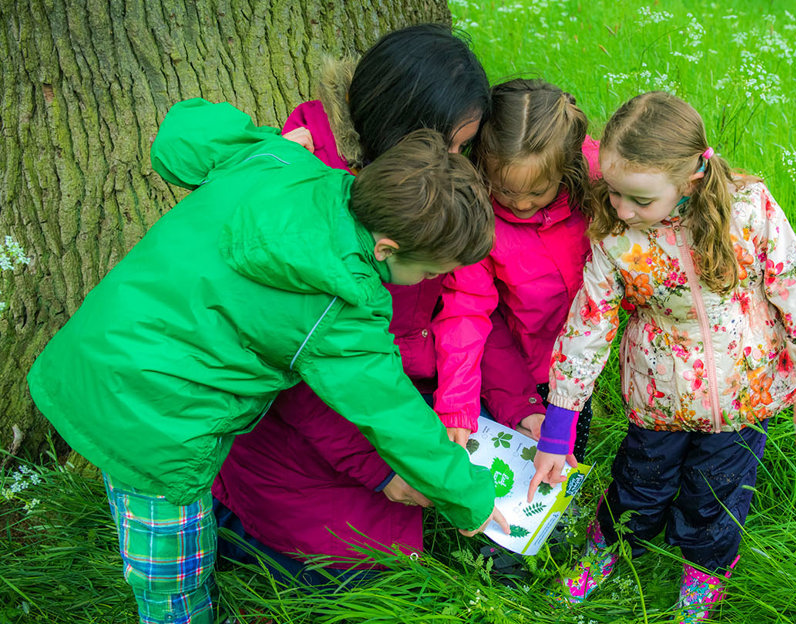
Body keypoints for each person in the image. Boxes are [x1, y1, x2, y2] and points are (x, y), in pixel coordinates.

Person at [26, 99, 507, 624]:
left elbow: (180, 139)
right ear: (387, 249)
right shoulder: (342, 302)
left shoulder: (280, 163)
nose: (430, 282)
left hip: (94, 361)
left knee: (138, 501)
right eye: (431, 271)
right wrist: (470, 500)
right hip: (159, 426)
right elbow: (393, 416)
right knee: (174, 576)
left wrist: (264, 140)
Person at [210, 24, 537, 582]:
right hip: (311, 421)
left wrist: (519, 403)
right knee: (364, 570)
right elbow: (305, 379)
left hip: (400, 391)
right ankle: (235, 539)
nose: (459, 162)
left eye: (465, 148)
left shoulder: (439, 187)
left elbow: (470, 304)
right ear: (400, 132)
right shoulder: (315, 204)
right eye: (452, 147)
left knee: (496, 494)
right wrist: (382, 471)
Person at [528, 91, 796, 623]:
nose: (622, 209)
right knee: (637, 485)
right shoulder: (617, 234)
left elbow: (794, 285)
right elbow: (591, 323)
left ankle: (705, 571)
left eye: (639, 200)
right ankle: (612, 547)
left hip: (744, 396)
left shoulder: (749, 207)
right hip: (658, 394)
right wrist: (560, 421)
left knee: (714, 501)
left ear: (692, 175)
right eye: (615, 192)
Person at [432, 78, 600, 461]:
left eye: (537, 192)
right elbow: (465, 309)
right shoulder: (479, 221)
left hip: (580, 356)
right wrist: (456, 405)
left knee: (571, 448)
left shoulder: (595, 182)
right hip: (522, 361)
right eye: (505, 190)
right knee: (530, 450)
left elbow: (656, 178)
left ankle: (566, 513)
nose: (520, 204)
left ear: (566, 168)